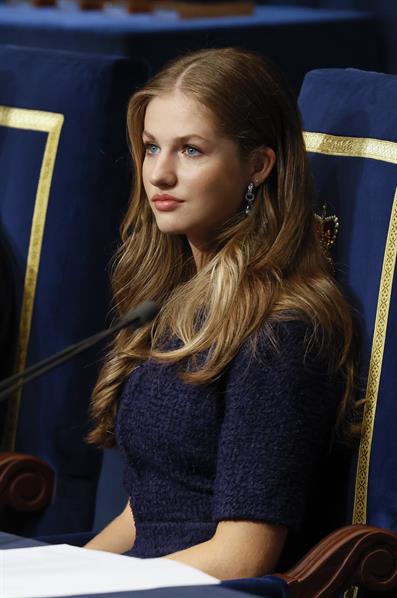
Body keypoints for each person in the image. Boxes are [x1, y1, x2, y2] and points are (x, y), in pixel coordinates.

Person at [85, 47, 359, 580]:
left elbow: (241, 557)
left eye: (190, 150)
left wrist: (89, 588)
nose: (159, 174)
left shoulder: (281, 333)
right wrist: (52, 578)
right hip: (147, 578)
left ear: (258, 164)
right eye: (150, 148)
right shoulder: (174, 298)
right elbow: (141, 513)